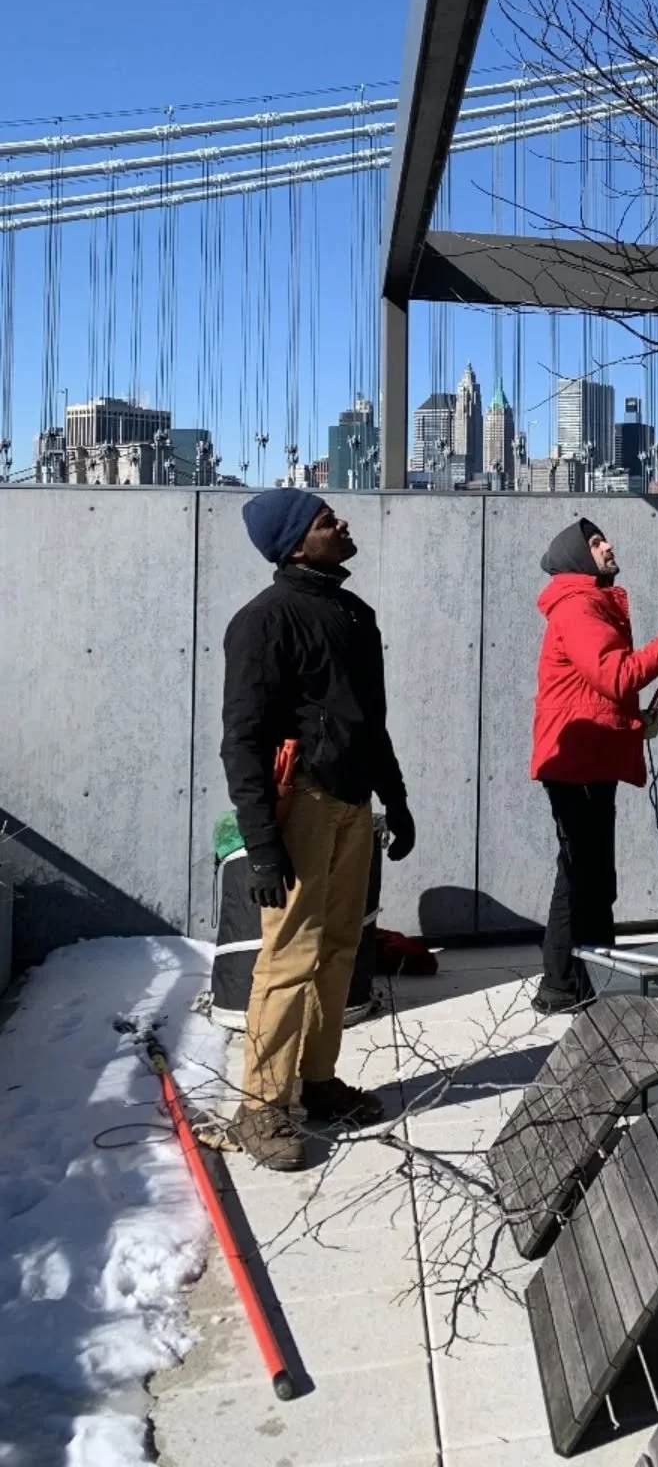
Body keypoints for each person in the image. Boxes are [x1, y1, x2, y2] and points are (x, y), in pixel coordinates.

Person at [220, 491, 416, 1170]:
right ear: (296, 544)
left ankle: (316, 1077)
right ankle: (262, 1106)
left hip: (352, 802)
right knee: (289, 956)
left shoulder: (353, 614)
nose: (342, 524)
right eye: (327, 521)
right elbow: (241, 741)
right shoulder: (266, 621)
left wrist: (396, 798)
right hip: (301, 800)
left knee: (339, 946)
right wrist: (262, 845)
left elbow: (371, 721)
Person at [529, 517, 658, 1012]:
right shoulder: (579, 608)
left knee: (591, 875)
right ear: (578, 557)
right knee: (582, 876)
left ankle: (592, 973)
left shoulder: (588, 603)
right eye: (595, 542)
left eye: (604, 538)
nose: (608, 545)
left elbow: (593, 693)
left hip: (586, 760)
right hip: (576, 766)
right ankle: (564, 984)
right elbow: (616, 675)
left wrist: (634, 722)